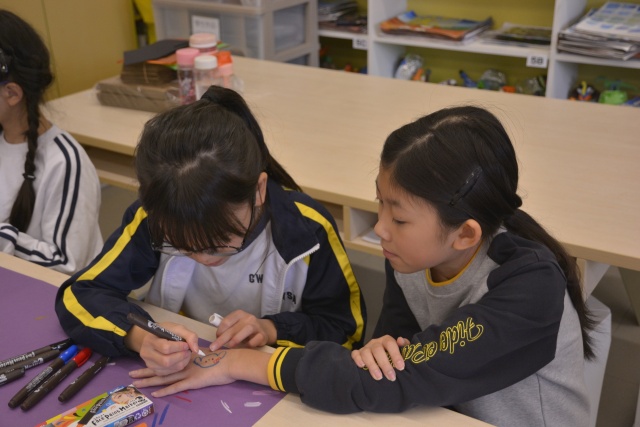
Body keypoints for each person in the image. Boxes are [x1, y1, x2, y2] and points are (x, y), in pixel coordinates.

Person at [129, 105, 594, 427]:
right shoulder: (411, 255)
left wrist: (240, 363)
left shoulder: (529, 286)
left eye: (400, 218)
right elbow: (386, 357)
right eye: (380, 204)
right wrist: (380, 351)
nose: (381, 229)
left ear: (466, 234)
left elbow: (390, 378)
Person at [55, 86, 366, 376]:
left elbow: (345, 331)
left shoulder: (307, 229)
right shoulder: (153, 218)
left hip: (267, 377)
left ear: (258, 190)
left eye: (219, 243)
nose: (203, 258)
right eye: (180, 245)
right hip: (184, 371)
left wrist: (272, 329)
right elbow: (80, 294)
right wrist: (140, 337)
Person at [0, 10, 102, 274]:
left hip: (51, 289)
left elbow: (67, 262)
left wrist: (5, 238)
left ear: (11, 93)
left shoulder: (64, 163)